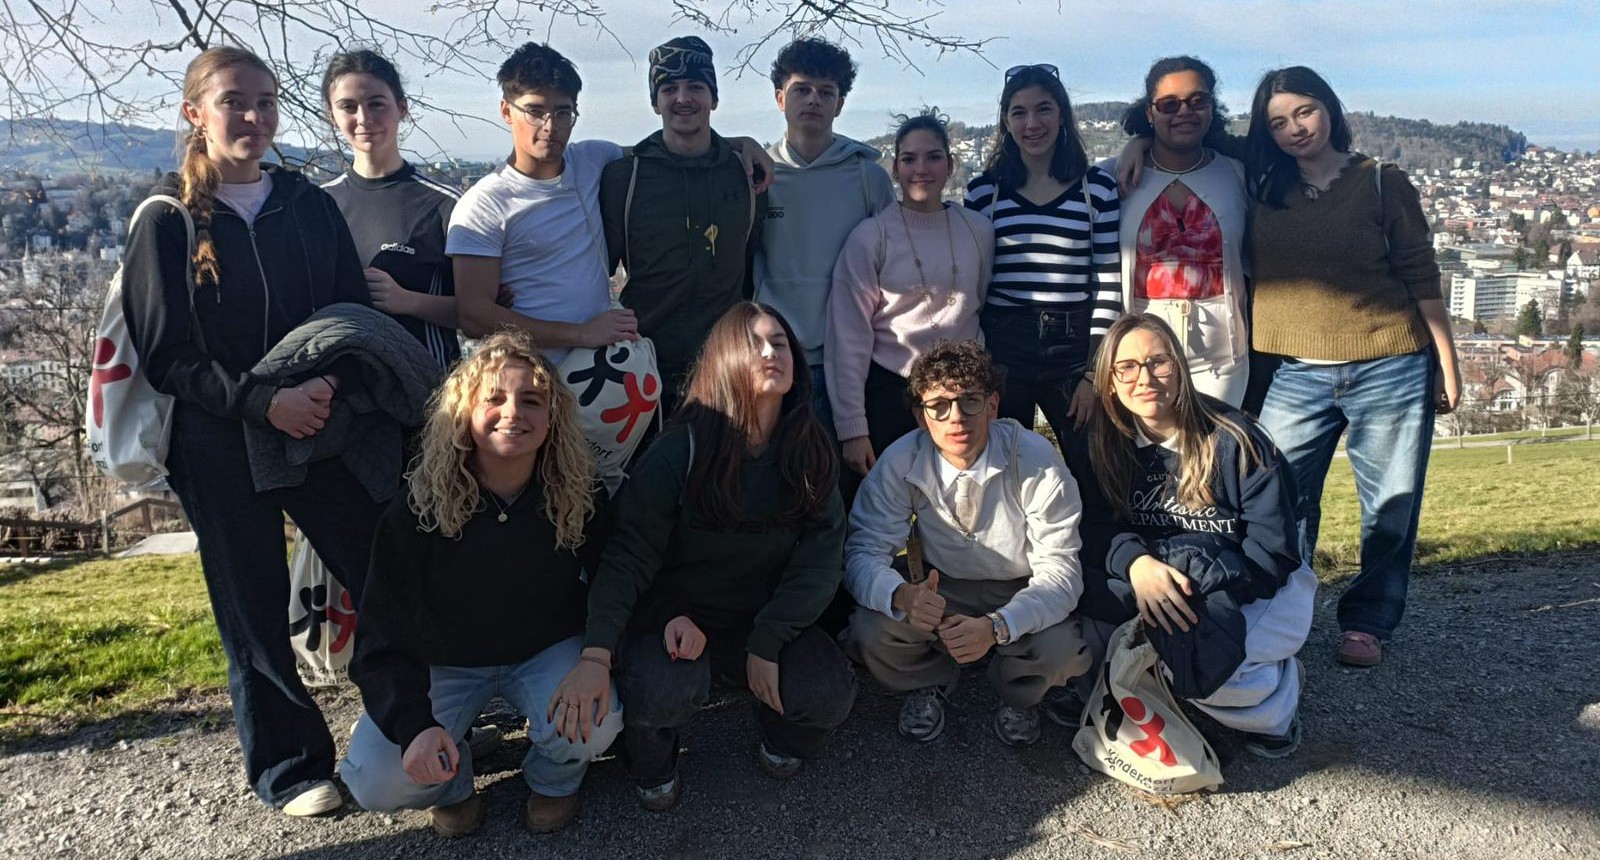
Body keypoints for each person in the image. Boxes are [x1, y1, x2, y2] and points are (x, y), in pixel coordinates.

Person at [121, 47, 384, 816]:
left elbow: (348, 312)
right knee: (252, 602)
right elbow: (168, 355)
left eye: (267, 102)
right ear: (194, 113)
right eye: (235, 101)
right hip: (219, 437)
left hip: (319, 422)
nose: (254, 118)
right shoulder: (165, 219)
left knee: (381, 570)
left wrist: (324, 385)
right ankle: (291, 767)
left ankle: (407, 723)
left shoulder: (305, 203)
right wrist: (261, 403)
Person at [550, 302, 855, 812]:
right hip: (678, 624)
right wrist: (599, 651)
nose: (770, 352)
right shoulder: (680, 450)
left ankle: (776, 728)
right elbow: (627, 555)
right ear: (724, 359)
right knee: (657, 690)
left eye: (779, 343)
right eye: (754, 343)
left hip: (764, 620)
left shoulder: (810, 447)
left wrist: (772, 636)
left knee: (828, 692)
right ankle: (651, 758)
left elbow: (823, 557)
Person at [342, 331, 622, 836]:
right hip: (445, 664)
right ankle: (452, 783)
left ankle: (554, 780)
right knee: (376, 780)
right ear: (463, 414)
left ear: (553, 415)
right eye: (493, 398)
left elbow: (615, 578)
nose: (512, 412)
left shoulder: (581, 493)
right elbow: (381, 633)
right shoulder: (416, 508)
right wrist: (415, 725)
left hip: (546, 651)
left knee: (595, 725)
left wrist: (595, 659)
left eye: (530, 400)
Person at [1243, 67, 1460, 667]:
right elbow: (1179, 139)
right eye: (1278, 122)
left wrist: (1446, 360)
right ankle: (1285, 609)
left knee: (1390, 502)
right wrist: (1134, 141)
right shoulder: (1259, 182)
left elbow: (1421, 273)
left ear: (1330, 109)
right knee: (1278, 500)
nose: (1294, 129)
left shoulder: (1383, 182)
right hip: (1293, 370)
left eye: (1304, 112)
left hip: (1389, 364)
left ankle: (1368, 622)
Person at [1073, 313, 1314, 758]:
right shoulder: (1103, 444)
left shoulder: (1237, 441)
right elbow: (1092, 525)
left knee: (1213, 662)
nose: (1143, 377)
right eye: (1125, 367)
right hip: (1155, 577)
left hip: (1251, 584)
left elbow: (1275, 553)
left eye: (1157, 362)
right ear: (1108, 383)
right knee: (1089, 640)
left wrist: (1198, 592)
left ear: (1179, 368)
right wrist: (1136, 565)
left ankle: (1277, 701)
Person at [843, 339, 1090, 746]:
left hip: (1021, 585)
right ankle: (929, 681)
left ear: (993, 406)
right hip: (942, 586)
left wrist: (998, 627)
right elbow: (863, 551)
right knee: (871, 629)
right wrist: (903, 595)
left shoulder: (1034, 457)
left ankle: (1018, 692)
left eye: (969, 401)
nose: (955, 417)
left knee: (1062, 649)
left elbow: (1061, 573)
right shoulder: (900, 459)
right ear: (922, 417)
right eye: (938, 405)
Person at [963, 63, 1121, 471]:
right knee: (1004, 467)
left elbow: (1108, 284)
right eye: (1019, 112)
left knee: (1093, 471)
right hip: (1004, 346)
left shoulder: (1096, 189)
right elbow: (968, 280)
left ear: (1062, 115)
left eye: (1044, 109)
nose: (1032, 123)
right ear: (1005, 121)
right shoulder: (984, 192)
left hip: (1073, 350)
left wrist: (1093, 374)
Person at [600, 36, 768, 420]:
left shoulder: (746, 176)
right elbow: (596, 271)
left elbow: (751, 262)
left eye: (696, 86)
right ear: (654, 100)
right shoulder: (624, 178)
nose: (682, 98)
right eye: (668, 88)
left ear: (714, 97)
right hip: (643, 365)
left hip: (727, 364)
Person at [826, 110, 993, 481]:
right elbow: (848, 338)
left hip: (963, 393)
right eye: (909, 158)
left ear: (950, 164)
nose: (922, 168)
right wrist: (853, 427)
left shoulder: (978, 231)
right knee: (886, 513)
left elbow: (977, 303)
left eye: (933, 157)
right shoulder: (870, 237)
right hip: (892, 390)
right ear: (895, 167)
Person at [755, 37, 896, 425]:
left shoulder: (869, 178)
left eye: (825, 91)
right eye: (802, 89)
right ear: (781, 98)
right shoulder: (758, 176)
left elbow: (893, 265)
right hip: (778, 358)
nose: (813, 100)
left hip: (852, 363)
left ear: (840, 103)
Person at [1099, 57, 1250, 407]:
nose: (1184, 112)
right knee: (1151, 460)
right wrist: (1136, 144)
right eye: (1169, 104)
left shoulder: (1238, 175)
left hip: (1221, 363)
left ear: (1213, 108)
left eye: (1198, 101)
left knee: (1214, 457)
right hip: (1139, 362)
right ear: (1150, 112)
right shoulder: (1115, 176)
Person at [320, 49, 461, 369]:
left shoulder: (444, 204)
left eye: (376, 104)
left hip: (428, 395)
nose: (364, 118)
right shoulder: (318, 204)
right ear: (332, 116)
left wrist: (408, 301)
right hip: (343, 397)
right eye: (348, 107)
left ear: (402, 108)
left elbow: (478, 314)